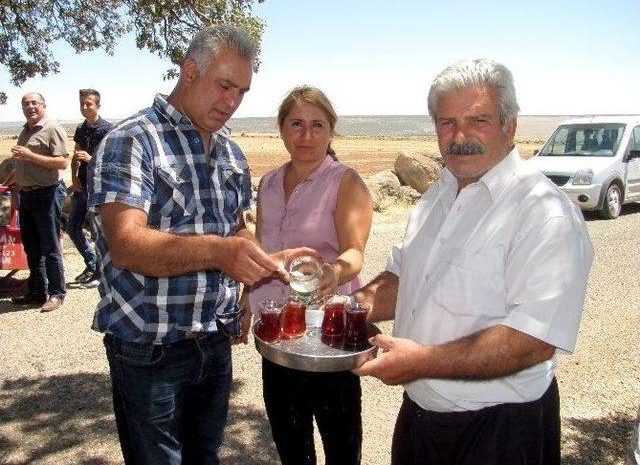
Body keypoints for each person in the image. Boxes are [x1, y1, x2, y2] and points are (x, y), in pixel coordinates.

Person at [87, 25, 312, 465]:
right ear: (190, 71)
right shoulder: (133, 140)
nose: (231, 102)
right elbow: (127, 245)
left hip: (213, 340)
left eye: (242, 92)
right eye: (224, 85)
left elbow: (235, 228)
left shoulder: (230, 153)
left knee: (204, 457)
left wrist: (259, 258)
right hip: (148, 345)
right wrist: (217, 252)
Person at [352, 59, 594, 465]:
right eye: (446, 123)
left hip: (499, 432)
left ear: (510, 125)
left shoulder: (543, 212)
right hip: (420, 420)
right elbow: (403, 275)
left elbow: (531, 341)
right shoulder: (438, 194)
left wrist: (421, 362)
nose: (459, 137)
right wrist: (352, 308)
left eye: (477, 120)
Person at [245, 86, 373, 465]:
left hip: (329, 334)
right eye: (296, 124)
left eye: (317, 125)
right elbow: (261, 250)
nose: (306, 135)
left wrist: (334, 271)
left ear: (331, 131)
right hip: (280, 334)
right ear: (282, 129)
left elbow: (356, 253)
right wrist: (245, 301)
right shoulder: (268, 183)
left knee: (341, 445)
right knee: (290, 442)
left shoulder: (345, 181)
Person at [11, 92, 69, 312]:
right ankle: (36, 291)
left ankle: (57, 293)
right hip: (27, 195)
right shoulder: (25, 131)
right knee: (31, 246)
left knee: (50, 245)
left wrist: (30, 155)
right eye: (26, 104)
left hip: (48, 193)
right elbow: (19, 165)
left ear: (43, 105)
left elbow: (62, 162)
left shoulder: (52, 128)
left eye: (34, 103)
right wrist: (17, 191)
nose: (30, 107)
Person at [69, 88, 112, 286]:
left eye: (89, 104)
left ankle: (101, 271)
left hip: (98, 186)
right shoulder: (80, 129)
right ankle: (92, 263)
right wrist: (74, 178)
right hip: (81, 185)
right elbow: (75, 155)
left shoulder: (107, 129)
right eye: (82, 104)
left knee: (98, 230)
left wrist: (91, 158)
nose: (85, 107)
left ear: (98, 105)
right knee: (72, 227)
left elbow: (112, 160)